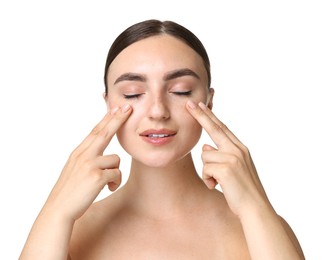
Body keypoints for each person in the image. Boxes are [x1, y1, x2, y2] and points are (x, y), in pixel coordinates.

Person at [19, 19, 305, 259]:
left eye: (181, 91)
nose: (157, 111)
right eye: (132, 93)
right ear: (108, 104)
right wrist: (55, 212)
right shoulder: (71, 230)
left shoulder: (258, 226)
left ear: (209, 101)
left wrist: (256, 207)